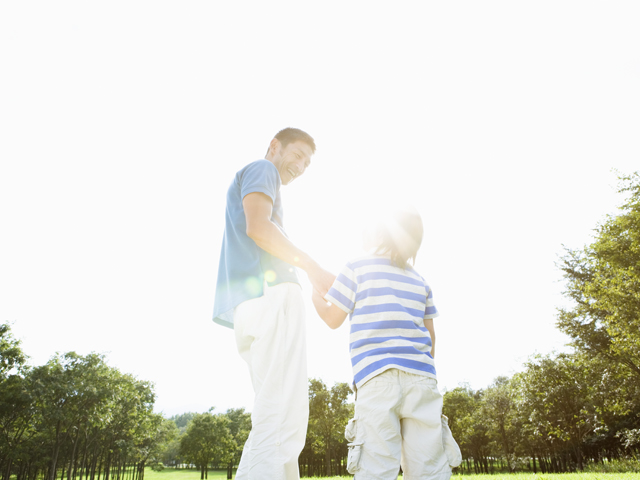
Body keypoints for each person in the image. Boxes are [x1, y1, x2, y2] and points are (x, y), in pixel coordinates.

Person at [213, 127, 335, 480]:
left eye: (307, 164)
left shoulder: (260, 178)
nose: (301, 166)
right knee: (283, 414)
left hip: (253, 306)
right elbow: (259, 228)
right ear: (274, 147)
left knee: (275, 411)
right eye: (297, 155)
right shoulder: (262, 169)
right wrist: (313, 268)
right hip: (273, 296)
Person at [311, 206, 461, 480]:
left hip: (376, 378)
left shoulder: (356, 266)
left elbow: (333, 319)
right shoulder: (420, 281)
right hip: (422, 379)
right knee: (429, 468)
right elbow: (431, 338)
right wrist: (422, 373)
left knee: (376, 467)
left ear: (380, 232)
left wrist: (315, 298)